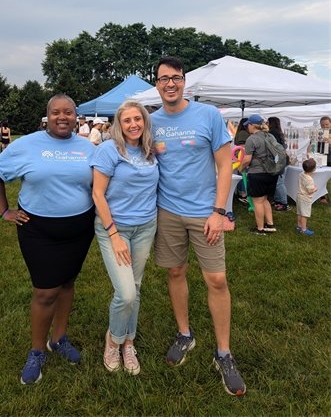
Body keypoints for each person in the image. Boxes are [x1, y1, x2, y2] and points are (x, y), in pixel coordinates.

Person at [150, 56, 246, 397]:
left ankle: (224, 353)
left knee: (216, 279)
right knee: (175, 273)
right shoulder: (151, 122)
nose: (170, 84)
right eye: (164, 79)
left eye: (175, 78)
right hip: (168, 213)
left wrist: (219, 211)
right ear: (157, 84)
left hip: (206, 212)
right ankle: (185, 334)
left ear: (184, 81)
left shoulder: (208, 115)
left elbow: (224, 167)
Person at [0, 94, 96, 385]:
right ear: (47, 117)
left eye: (69, 112)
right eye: (56, 112)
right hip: (39, 231)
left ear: (76, 116)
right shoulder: (27, 145)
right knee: (46, 291)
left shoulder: (88, 147)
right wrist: (3, 211)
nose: (63, 117)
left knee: (68, 283)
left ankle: (59, 338)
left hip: (80, 229)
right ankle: (37, 350)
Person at [91, 100, 159, 376]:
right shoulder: (109, 150)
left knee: (137, 286)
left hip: (146, 226)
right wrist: (114, 234)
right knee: (126, 292)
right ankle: (113, 340)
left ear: (145, 121)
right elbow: (98, 194)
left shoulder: (150, 150)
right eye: (127, 120)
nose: (133, 124)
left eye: (138, 119)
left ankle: (129, 341)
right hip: (114, 228)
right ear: (119, 124)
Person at [240, 115, 278, 235]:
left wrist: (241, 168)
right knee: (265, 199)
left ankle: (260, 228)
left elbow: (247, 159)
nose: (247, 127)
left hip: (257, 173)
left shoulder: (252, 139)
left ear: (252, 125)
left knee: (258, 202)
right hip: (271, 172)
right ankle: (270, 225)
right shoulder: (270, 136)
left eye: (248, 125)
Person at [268, 116, 290, 211]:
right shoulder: (279, 133)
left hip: (279, 160)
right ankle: (278, 200)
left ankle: (284, 203)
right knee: (277, 182)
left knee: (279, 182)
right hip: (283, 159)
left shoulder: (272, 133)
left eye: (267, 122)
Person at [296, 158, 317, 235]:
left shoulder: (301, 174)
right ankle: (304, 229)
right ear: (314, 169)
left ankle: (299, 226)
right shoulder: (310, 179)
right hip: (305, 198)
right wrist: (315, 189)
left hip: (299, 195)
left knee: (299, 212)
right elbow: (310, 191)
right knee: (304, 214)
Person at [233, 118, 250, 203]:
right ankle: (243, 195)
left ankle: (240, 193)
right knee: (243, 175)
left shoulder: (239, 132)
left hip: (238, 156)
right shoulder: (243, 133)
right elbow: (242, 146)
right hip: (242, 156)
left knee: (240, 175)